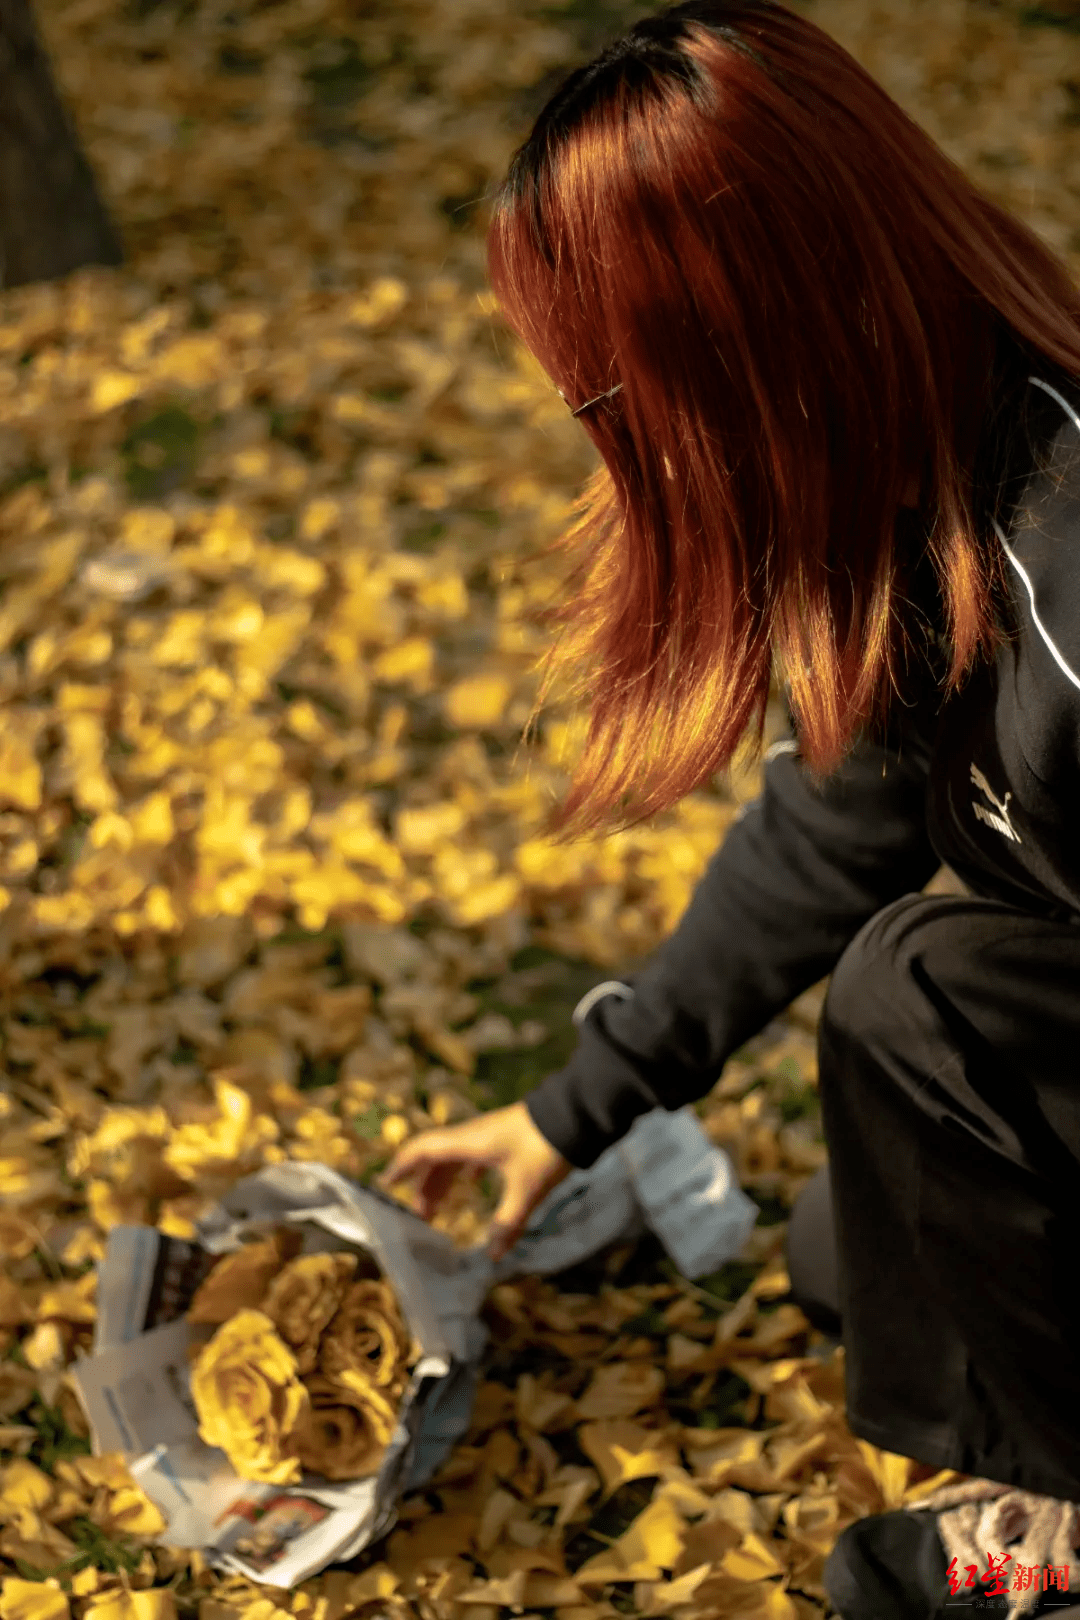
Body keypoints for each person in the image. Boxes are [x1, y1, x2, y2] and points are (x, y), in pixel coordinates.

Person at [382, 3, 1080, 1614]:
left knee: (921, 996)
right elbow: (839, 821)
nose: (618, 449)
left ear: (754, 347)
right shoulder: (928, 483)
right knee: (857, 1248)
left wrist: (1046, 1449)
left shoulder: (1068, 577)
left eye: (620, 400)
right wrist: (577, 1107)